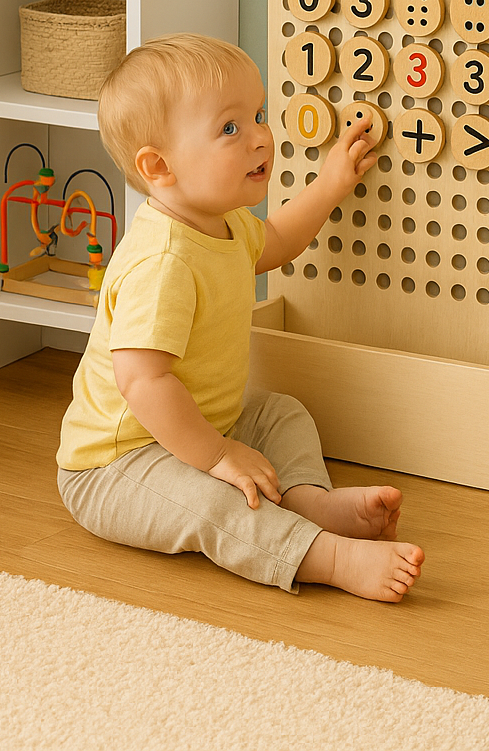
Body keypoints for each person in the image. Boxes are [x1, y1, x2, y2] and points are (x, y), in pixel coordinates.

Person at [57, 33, 424, 600]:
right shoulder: (163, 261)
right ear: (160, 167)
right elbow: (141, 379)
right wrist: (218, 454)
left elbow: (275, 240)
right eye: (230, 129)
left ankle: (308, 503)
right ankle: (325, 556)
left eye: (257, 116)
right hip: (116, 466)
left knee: (281, 413)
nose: (260, 137)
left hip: (203, 425)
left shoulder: (222, 222)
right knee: (213, 502)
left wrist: (329, 186)